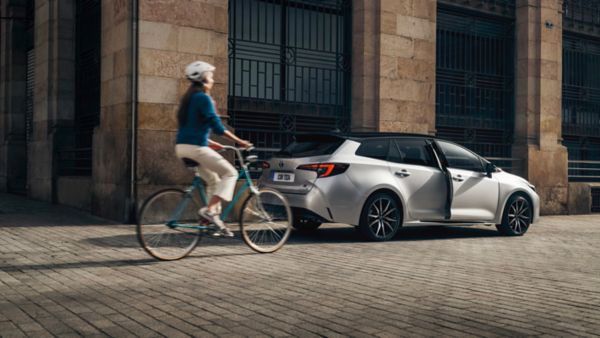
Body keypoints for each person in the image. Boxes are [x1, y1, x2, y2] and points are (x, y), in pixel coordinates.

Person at [175, 61, 252, 237]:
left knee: (214, 181)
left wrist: (211, 143)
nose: (212, 80)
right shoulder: (204, 98)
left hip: (182, 147)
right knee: (231, 173)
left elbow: (192, 129)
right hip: (196, 149)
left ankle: (213, 222)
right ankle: (210, 211)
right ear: (203, 79)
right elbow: (217, 126)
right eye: (210, 76)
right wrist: (239, 141)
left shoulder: (188, 100)